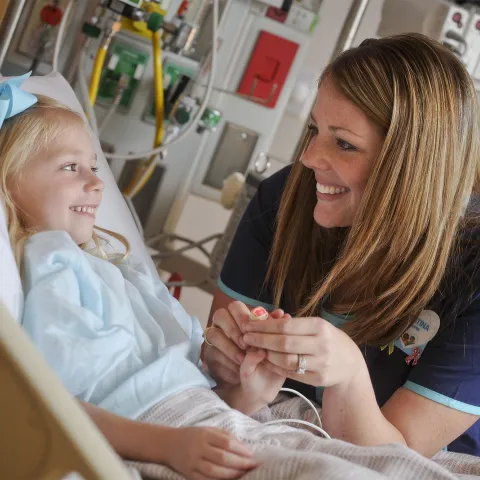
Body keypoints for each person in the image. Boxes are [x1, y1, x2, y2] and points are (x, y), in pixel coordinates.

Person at [203, 33, 480, 457]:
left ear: (411, 164)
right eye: (315, 129)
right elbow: (223, 372)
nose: (311, 157)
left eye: (344, 143)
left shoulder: (472, 269)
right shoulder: (287, 196)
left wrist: (348, 374)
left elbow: (398, 460)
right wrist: (227, 358)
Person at [0, 73, 288, 480]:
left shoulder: (115, 267)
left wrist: (246, 391)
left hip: (208, 419)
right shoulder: (54, 263)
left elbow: (184, 385)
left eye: (94, 166)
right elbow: (56, 404)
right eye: (70, 167)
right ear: (10, 183)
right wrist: (167, 446)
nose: (97, 182)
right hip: (153, 434)